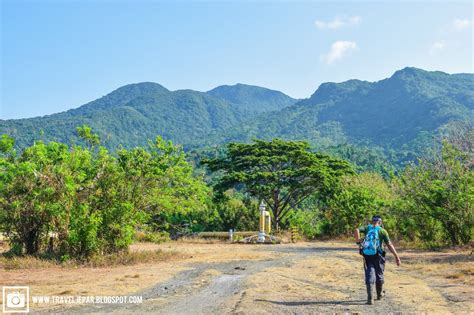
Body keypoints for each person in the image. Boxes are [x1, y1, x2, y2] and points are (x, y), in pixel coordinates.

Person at [354, 215, 401, 305]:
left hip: (367, 256)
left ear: (372, 221)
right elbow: (389, 244)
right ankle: (379, 295)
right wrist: (397, 257)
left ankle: (370, 299)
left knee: (369, 273)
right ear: (380, 222)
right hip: (379, 256)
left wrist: (358, 241)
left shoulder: (367, 228)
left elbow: (356, 230)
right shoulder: (382, 231)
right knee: (379, 274)